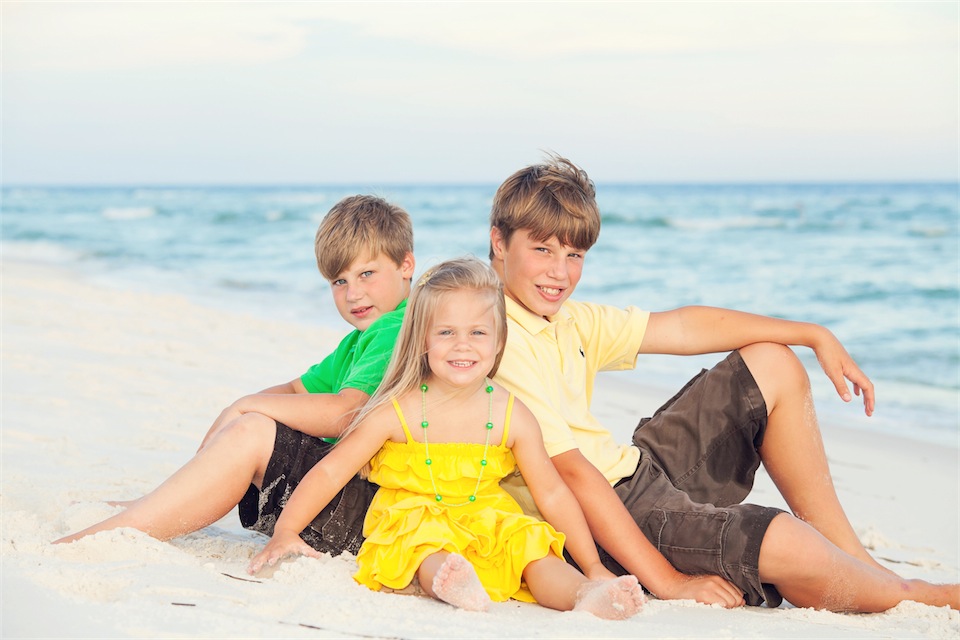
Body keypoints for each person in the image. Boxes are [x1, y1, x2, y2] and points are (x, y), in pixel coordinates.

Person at [486, 155, 960, 612]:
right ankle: (910, 594)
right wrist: (668, 582)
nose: (560, 272)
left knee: (773, 362)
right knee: (792, 546)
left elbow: (684, 328)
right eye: (542, 249)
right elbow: (570, 474)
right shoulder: (494, 336)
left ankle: (860, 563)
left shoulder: (566, 319)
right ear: (499, 244)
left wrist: (812, 333)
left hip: (631, 471)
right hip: (599, 521)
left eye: (574, 254)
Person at [247, 258, 646, 619]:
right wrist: (287, 530)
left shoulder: (511, 414)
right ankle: (451, 583)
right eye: (446, 332)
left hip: (486, 515)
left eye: (477, 332)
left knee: (531, 548)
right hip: (415, 515)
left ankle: (585, 592)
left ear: (499, 341)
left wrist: (592, 563)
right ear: (423, 339)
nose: (463, 345)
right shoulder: (397, 411)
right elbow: (332, 471)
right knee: (426, 547)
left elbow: (554, 494)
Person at [55, 195, 416, 554]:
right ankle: (158, 504)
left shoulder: (395, 328)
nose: (353, 293)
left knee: (252, 429)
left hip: (375, 513)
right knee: (251, 420)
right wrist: (245, 409)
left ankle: (121, 527)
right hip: (346, 494)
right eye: (339, 281)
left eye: (366, 274)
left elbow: (345, 413)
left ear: (405, 265)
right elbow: (295, 389)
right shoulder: (363, 337)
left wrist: (246, 407)